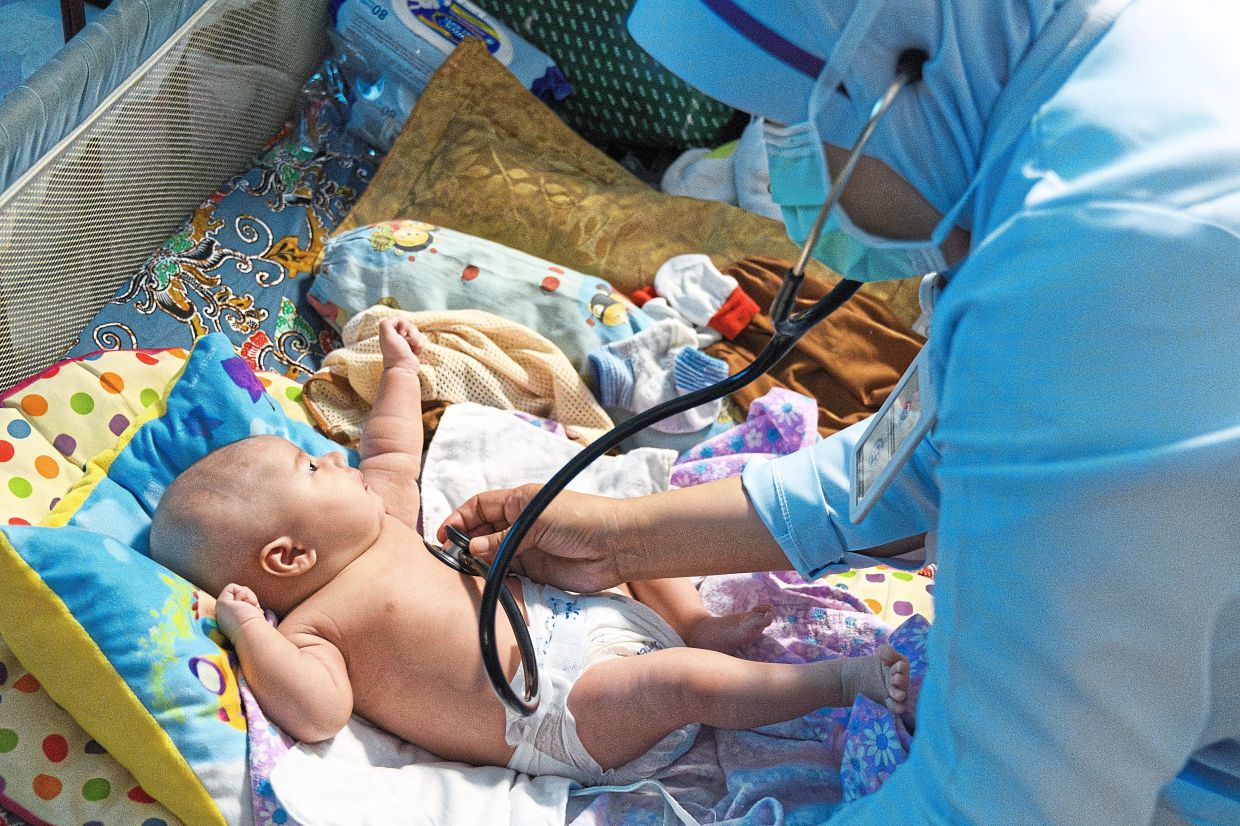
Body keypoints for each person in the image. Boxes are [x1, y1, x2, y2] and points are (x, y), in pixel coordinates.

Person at [442, 0, 1240, 822]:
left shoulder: (1101, 270)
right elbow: (935, 450)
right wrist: (622, 539)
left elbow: (1005, 802)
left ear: (905, 68)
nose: (781, 153)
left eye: (785, 116)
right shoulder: (1101, 97)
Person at [149, 316, 912, 786]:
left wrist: (404, 372)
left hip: (580, 617)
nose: (336, 458)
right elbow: (317, 714)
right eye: (313, 467)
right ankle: (841, 682)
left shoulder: (380, 515)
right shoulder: (312, 629)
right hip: (561, 715)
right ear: (287, 559)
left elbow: (390, 445)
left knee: (617, 541)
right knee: (683, 682)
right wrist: (249, 632)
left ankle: (696, 618)